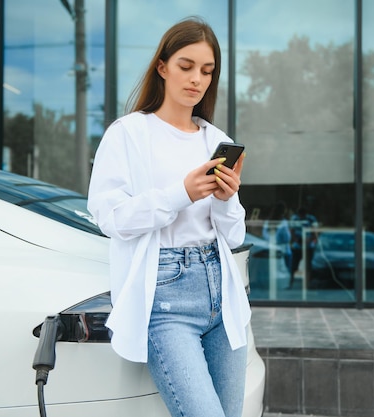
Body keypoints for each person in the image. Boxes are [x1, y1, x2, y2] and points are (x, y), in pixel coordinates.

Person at [87, 17, 250, 417]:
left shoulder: (217, 141)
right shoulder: (128, 134)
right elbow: (109, 216)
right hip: (165, 298)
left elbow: (232, 236)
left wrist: (228, 200)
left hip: (220, 291)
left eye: (207, 71)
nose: (197, 79)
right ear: (162, 67)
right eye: (186, 66)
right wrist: (182, 193)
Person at [262, 201, 292, 284]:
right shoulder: (283, 222)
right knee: (285, 270)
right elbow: (287, 238)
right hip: (283, 249)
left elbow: (264, 235)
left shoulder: (268, 222)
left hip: (271, 248)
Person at [288, 207, 318, 289]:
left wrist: (310, 239)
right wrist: (296, 239)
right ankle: (290, 283)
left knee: (308, 265)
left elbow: (315, 232)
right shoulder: (294, 218)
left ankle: (307, 284)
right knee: (294, 265)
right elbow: (291, 230)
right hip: (297, 246)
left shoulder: (311, 219)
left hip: (308, 245)